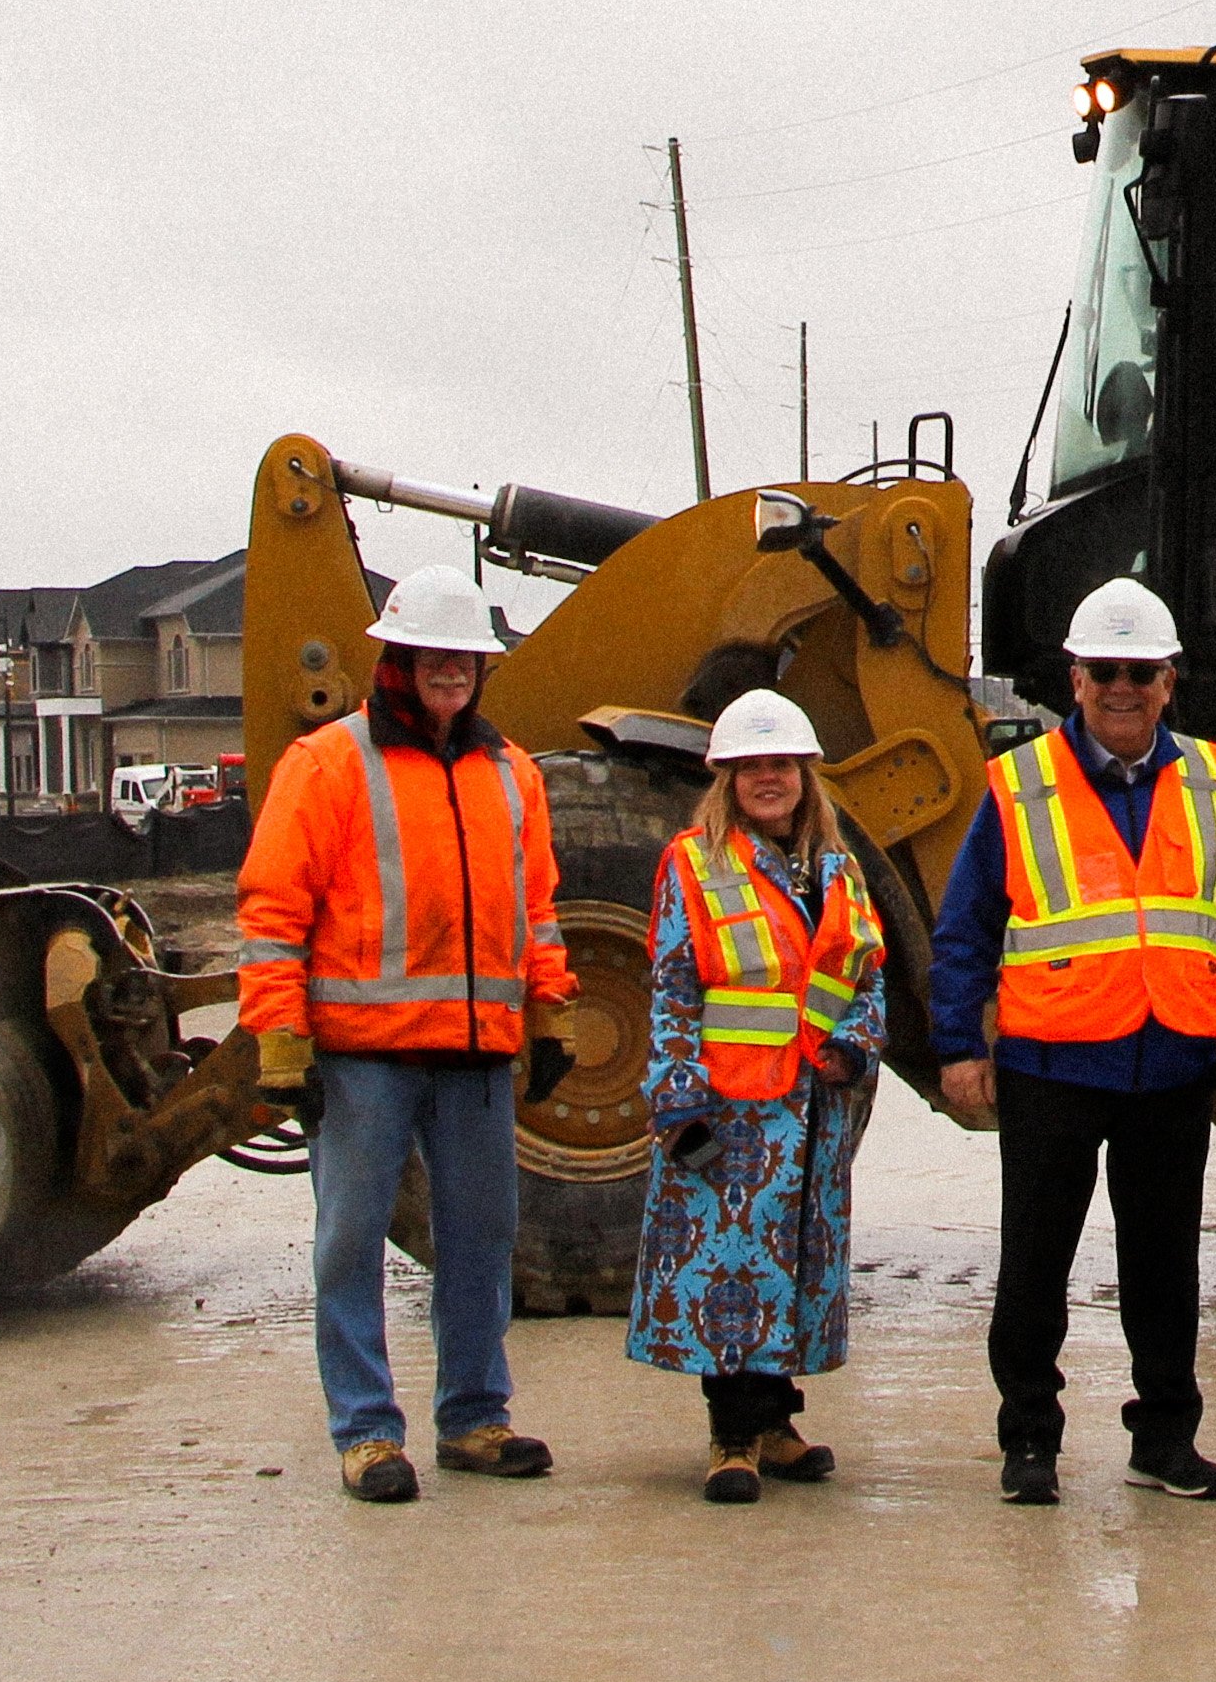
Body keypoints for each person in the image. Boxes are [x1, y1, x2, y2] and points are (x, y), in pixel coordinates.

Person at [930, 577, 1216, 1507]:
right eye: (1102, 672)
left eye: (1140, 671)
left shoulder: (1211, 778)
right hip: (1052, 1062)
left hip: (1169, 1061)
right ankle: (1030, 1442)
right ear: (1074, 680)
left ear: (1169, 681)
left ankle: (1165, 1439)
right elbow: (966, 926)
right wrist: (958, 1046)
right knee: (1036, 1264)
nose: (1121, 688)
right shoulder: (1019, 785)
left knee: (1166, 1266)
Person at [237, 564, 578, 1503]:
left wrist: (547, 1011)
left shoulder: (513, 775)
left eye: (466, 658)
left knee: (482, 1238)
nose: (452, 673)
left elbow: (535, 909)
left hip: (474, 1053)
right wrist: (279, 1037)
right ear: (399, 657)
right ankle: (366, 1433)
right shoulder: (327, 765)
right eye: (435, 656)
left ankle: (473, 1419)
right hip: (363, 1057)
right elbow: (273, 911)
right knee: (349, 1240)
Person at [626, 690, 887, 1504]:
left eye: (781, 766)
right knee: (729, 1274)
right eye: (752, 768)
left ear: (807, 777)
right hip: (731, 1110)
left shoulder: (839, 871)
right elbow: (672, 988)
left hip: (812, 1109)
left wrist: (855, 1044)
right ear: (727, 780)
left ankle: (777, 1425)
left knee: (797, 1265)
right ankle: (731, 1438)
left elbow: (867, 975)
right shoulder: (694, 864)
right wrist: (676, 1101)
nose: (768, 780)